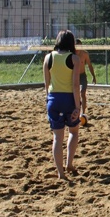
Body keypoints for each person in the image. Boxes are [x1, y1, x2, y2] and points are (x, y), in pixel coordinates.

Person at [43, 29, 82, 180]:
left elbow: (46, 84)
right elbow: (75, 85)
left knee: (57, 138)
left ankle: (61, 173)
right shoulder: (74, 59)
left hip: (53, 99)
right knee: (73, 132)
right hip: (69, 99)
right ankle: (69, 163)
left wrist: (48, 100)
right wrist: (78, 106)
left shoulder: (48, 58)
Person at [75, 38, 97, 115]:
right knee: (75, 94)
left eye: (80, 47)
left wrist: (93, 76)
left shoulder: (84, 54)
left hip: (82, 76)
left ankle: (83, 113)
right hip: (74, 76)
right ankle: (75, 110)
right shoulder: (71, 54)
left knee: (82, 93)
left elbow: (89, 65)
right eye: (76, 47)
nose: (78, 49)